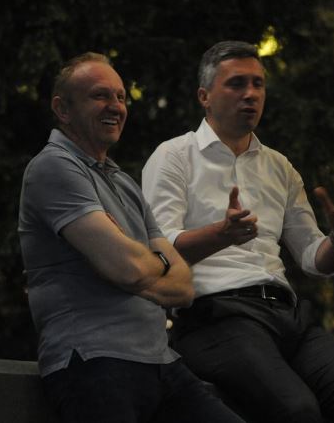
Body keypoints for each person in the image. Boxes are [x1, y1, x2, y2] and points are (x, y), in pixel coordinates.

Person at [142, 40, 334, 423]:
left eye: (258, 83)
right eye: (236, 83)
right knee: (298, 410)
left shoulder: (279, 167)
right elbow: (159, 254)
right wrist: (221, 234)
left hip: (288, 316)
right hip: (215, 317)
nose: (250, 93)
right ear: (204, 96)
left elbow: (314, 259)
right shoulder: (174, 156)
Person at [18, 52, 245, 423]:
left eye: (121, 97)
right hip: (93, 361)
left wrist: (135, 267)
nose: (116, 106)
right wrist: (145, 265)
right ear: (62, 109)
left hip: (161, 362)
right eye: (100, 96)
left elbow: (183, 286)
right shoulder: (53, 166)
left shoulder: (123, 182)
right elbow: (127, 268)